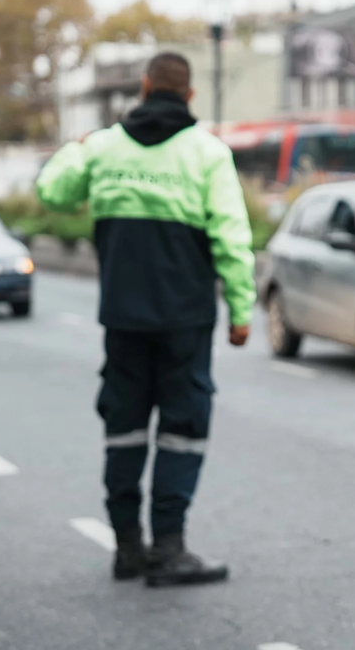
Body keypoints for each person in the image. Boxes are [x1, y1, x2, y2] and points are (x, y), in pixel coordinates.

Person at [37, 52, 256, 587]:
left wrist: (79, 146)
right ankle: (169, 548)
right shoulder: (207, 153)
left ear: (143, 87)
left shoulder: (106, 147)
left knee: (124, 428)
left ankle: (128, 547)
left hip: (123, 319)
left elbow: (52, 192)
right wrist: (242, 310)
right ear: (190, 95)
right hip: (186, 322)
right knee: (182, 429)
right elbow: (232, 237)